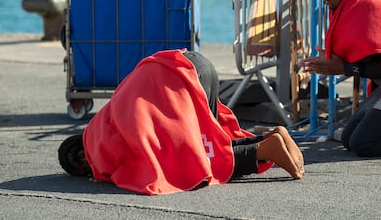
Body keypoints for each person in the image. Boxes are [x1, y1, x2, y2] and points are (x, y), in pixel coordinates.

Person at [59, 50, 304, 195]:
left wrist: (102, 174)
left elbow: (134, 166)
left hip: (181, 80)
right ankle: (272, 137)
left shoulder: (96, 145)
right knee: (209, 140)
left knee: (197, 160)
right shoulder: (102, 122)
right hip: (190, 62)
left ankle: (265, 150)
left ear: (80, 157)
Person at [300, 0, 381, 157]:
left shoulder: (370, 6)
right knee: (348, 138)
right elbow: (363, 50)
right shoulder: (354, 3)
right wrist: (334, 58)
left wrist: (344, 68)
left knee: (363, 143)